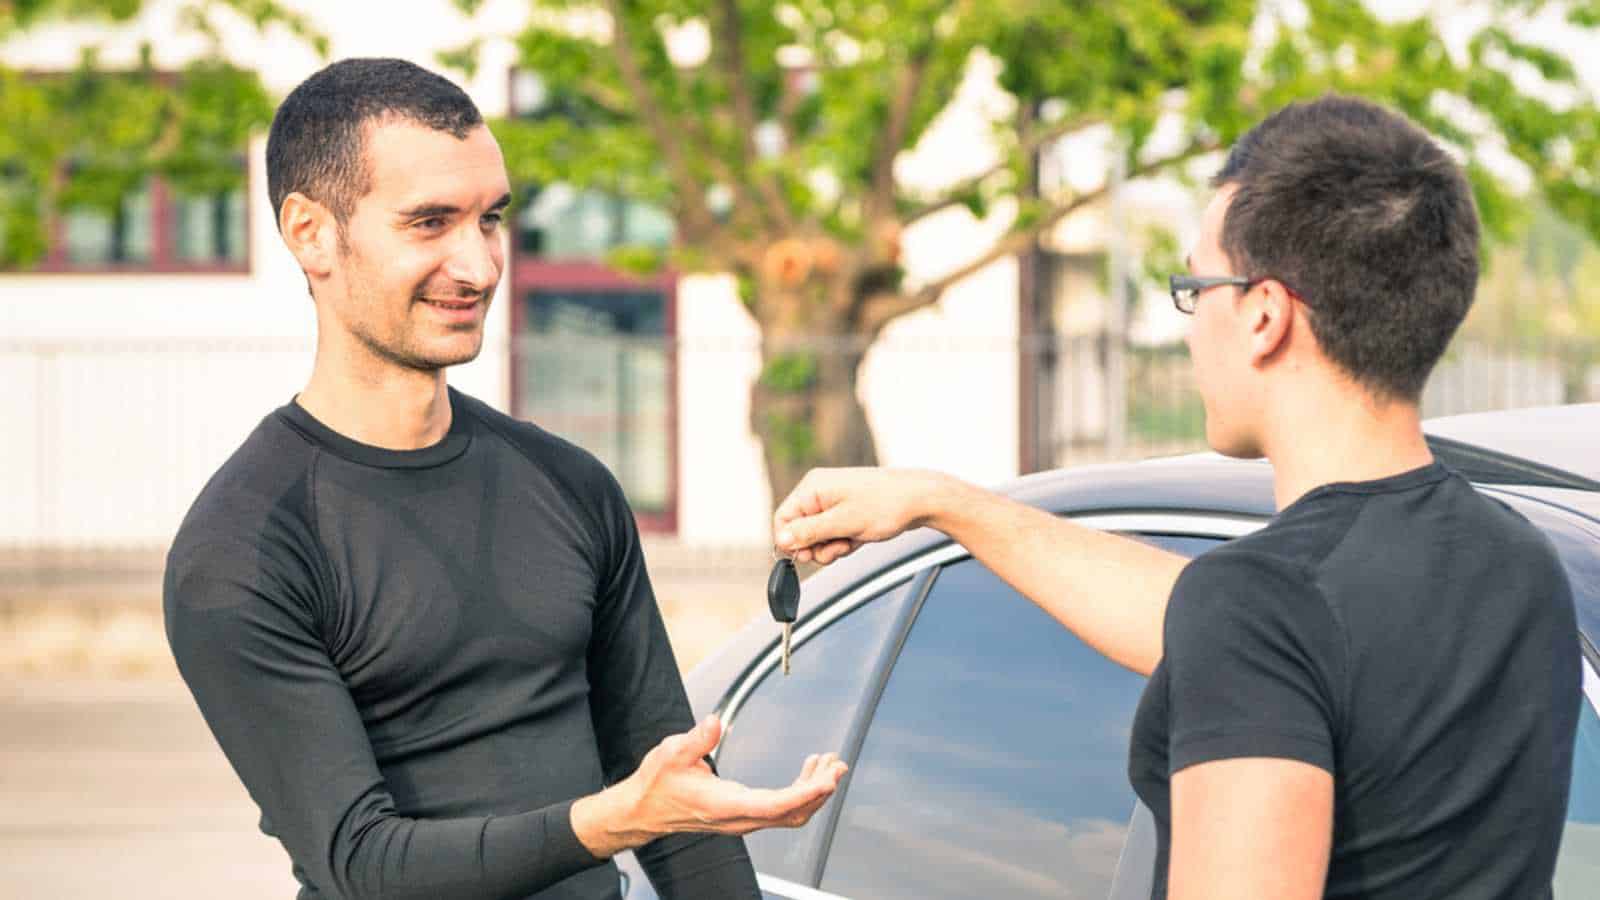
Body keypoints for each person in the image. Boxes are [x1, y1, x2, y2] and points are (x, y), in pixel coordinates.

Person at [773, 95, 1580, 899]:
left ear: (1265, 314)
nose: (1191, 325)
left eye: (1195, 287)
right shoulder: (1520, 564)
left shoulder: (1265, 609)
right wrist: (944, 502)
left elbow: (1256, 629)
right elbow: (1252, 628)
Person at [164, 57, 845, 900]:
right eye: (430, 223)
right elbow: (361, 863)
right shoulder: (245, 549)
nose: (480, 266)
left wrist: (655, 818)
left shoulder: (569, 487)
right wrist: (611, 822)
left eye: (490, 220)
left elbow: (681, 810)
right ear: (310, 232)